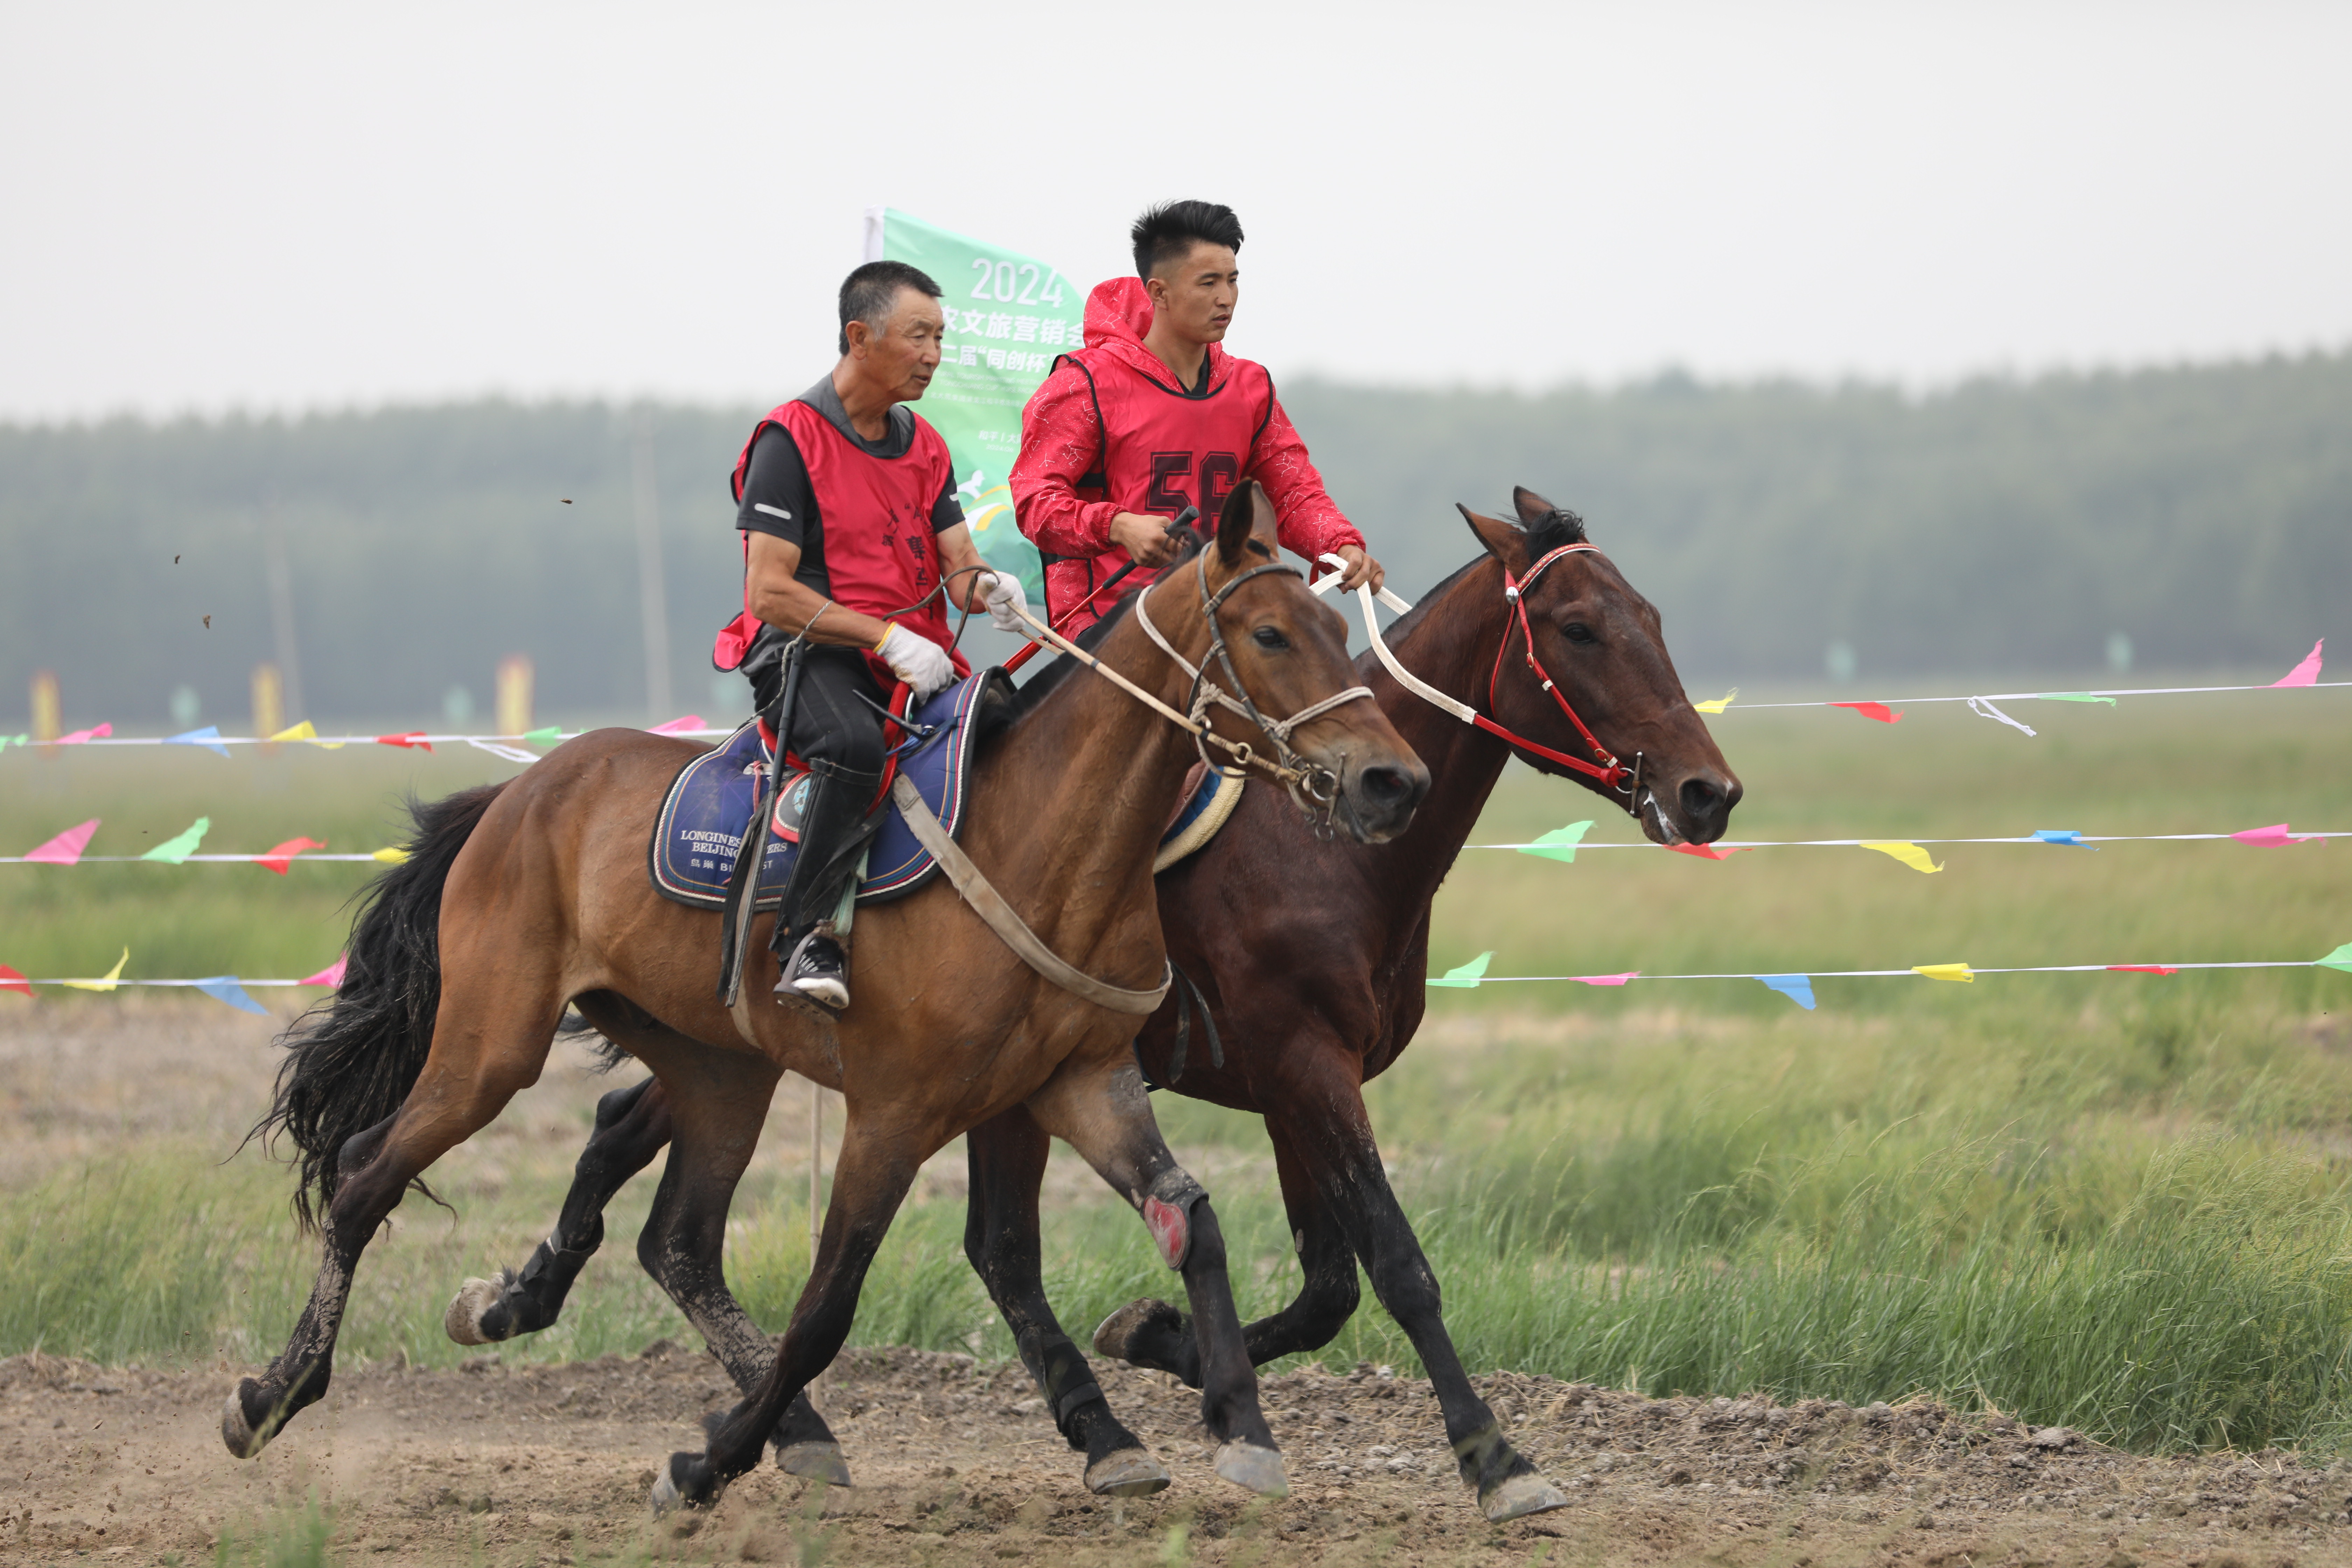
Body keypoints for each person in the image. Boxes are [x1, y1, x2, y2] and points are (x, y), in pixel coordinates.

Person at [712, 260, 1026, 1011]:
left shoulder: (927, 445)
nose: (934, 354)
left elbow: (958, 568)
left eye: (940, 337)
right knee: (852, 748)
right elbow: (771, 591)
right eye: (919, 335)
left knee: (1018, 724)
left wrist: (991, 587)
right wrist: (885, 639)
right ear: (860, 336)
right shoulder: (788, 442)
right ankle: (808, 936)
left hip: (911, 656)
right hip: (808, 652)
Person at [1010, 200, 1383, 636]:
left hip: (1226, 618)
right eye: (1208, 283)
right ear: (1159, 293)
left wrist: (1339, 544)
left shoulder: (1251, 387)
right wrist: (1117, 525)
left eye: (1232, 280)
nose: (1225, 298)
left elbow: (1293, 494)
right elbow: (1034, 501)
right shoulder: (1084, 384)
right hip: (1115, 629)